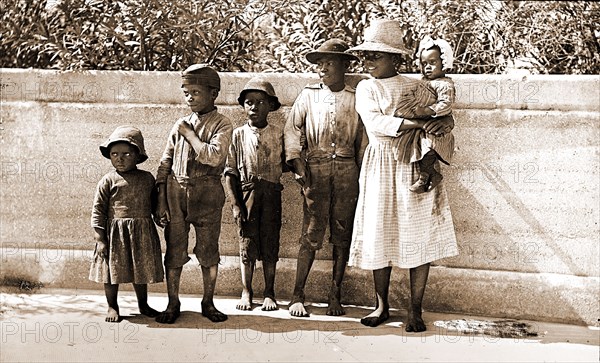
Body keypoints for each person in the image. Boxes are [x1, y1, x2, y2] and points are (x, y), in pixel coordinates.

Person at [347, 19, 459, 332]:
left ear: (395, 59)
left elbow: (440, 113)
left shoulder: (416, 85)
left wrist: (437, 127)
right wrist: (419, 124)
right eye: (365, 57)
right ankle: (381, 305)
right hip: (380, 162)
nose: (368, 62)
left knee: (416, 234)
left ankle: (415, 310)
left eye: (376, 56)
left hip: (413, 160)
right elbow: (376, 123)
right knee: (379, 230)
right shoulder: (366, 87)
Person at [285, 38, 366, 317]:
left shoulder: (356, 97)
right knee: (311, 231)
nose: (323, 68)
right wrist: (298, 166)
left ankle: (335, 295)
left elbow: (364, 141)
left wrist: (361, 172)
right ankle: (297, 295)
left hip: (346, 170)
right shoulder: (308, 95)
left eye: (330, 62)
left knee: (341, 233)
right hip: (315, 169)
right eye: (320, 63)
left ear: (344, 66)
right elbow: (292, 131)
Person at [154, 64, 233, 324]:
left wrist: (189, 134)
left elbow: (213, 156)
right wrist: (161, 201)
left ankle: (208, 302)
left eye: (196, 92)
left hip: (208, 192)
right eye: (186, 92)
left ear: (214, 93)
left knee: (208, 251)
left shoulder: (223, 123)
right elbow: (165, 164)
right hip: (177, 192)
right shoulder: (180, 123)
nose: (190, 97)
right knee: (174, 250)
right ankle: (172, 302)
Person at [90, 125, 164, 322]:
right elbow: (98, 210)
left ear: (137, 155)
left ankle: (143, 304)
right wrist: (100, 239)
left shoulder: (147, 178)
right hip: (115, 234)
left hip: (142, 232)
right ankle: (112, 306)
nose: (119, 159)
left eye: (126, 154)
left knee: (140, 270)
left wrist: (159, 216)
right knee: (111, 272)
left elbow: (154, 204)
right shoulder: (107, 180)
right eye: (114, 154)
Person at [224, 77, 286, 312]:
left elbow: (287, 161)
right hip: (246, 193)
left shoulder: (279, 134)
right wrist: (235, 204)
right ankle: (246, 290)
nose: (255, 107)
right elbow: (229, 172)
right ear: (243, 106)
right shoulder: (237, 135)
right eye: (249, 102)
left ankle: (269, 291)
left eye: (261, 102)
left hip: (271, 194)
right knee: (247, 244)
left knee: (270, 243)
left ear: (270, 106)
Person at [404, 35, 456, 193]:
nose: (427, 67)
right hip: (423, 125)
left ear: (444, 63)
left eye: (433, 63)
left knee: (427, 151)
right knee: (419, 150)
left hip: (436, 126)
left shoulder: (444, 84)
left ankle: (427, 176)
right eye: (424, 63)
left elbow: (446, 104)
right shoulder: (423, 81)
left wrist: (430, 110)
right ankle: (430, 175)